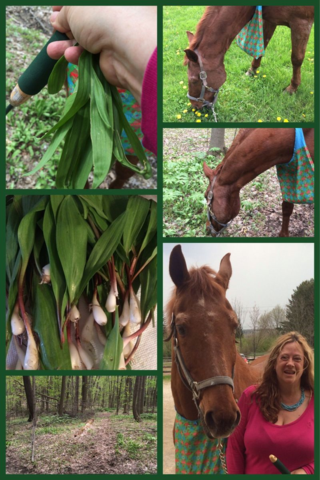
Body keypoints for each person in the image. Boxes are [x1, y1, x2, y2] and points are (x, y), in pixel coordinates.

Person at [47, 6, 157, 155]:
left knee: (128, 151)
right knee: (82, 139)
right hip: (86, 63)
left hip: (138, 108)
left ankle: (120, 178)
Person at [226, 332, 314, 474]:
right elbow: (234, 449)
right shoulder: (251, 397)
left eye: (297, 359)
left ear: (304, 365)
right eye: (284, 357)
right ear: (274, 363)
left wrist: (308, 471)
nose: (290, 363)